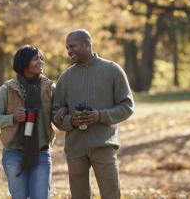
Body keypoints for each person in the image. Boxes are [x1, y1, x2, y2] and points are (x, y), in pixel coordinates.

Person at [53, 29, 135, 199]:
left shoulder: (113, 70)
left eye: (72, 46)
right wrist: (71, 121)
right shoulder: (65, 78)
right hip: (75, 149)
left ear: (87, 43)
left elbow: (127, 106)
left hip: (104, 145)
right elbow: (55, 114)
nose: (69, 51)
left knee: (111, 195)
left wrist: (100, 115)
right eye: (67, 47)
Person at [0, 45, 65, 199]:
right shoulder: (7, 89)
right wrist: (13, 117)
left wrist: (63, 111)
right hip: (13, 154)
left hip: (41, 153)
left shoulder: (49, 88)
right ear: (24, 63)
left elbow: (60, 109)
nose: (41, 62)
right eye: (36, 58)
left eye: (41, 58)